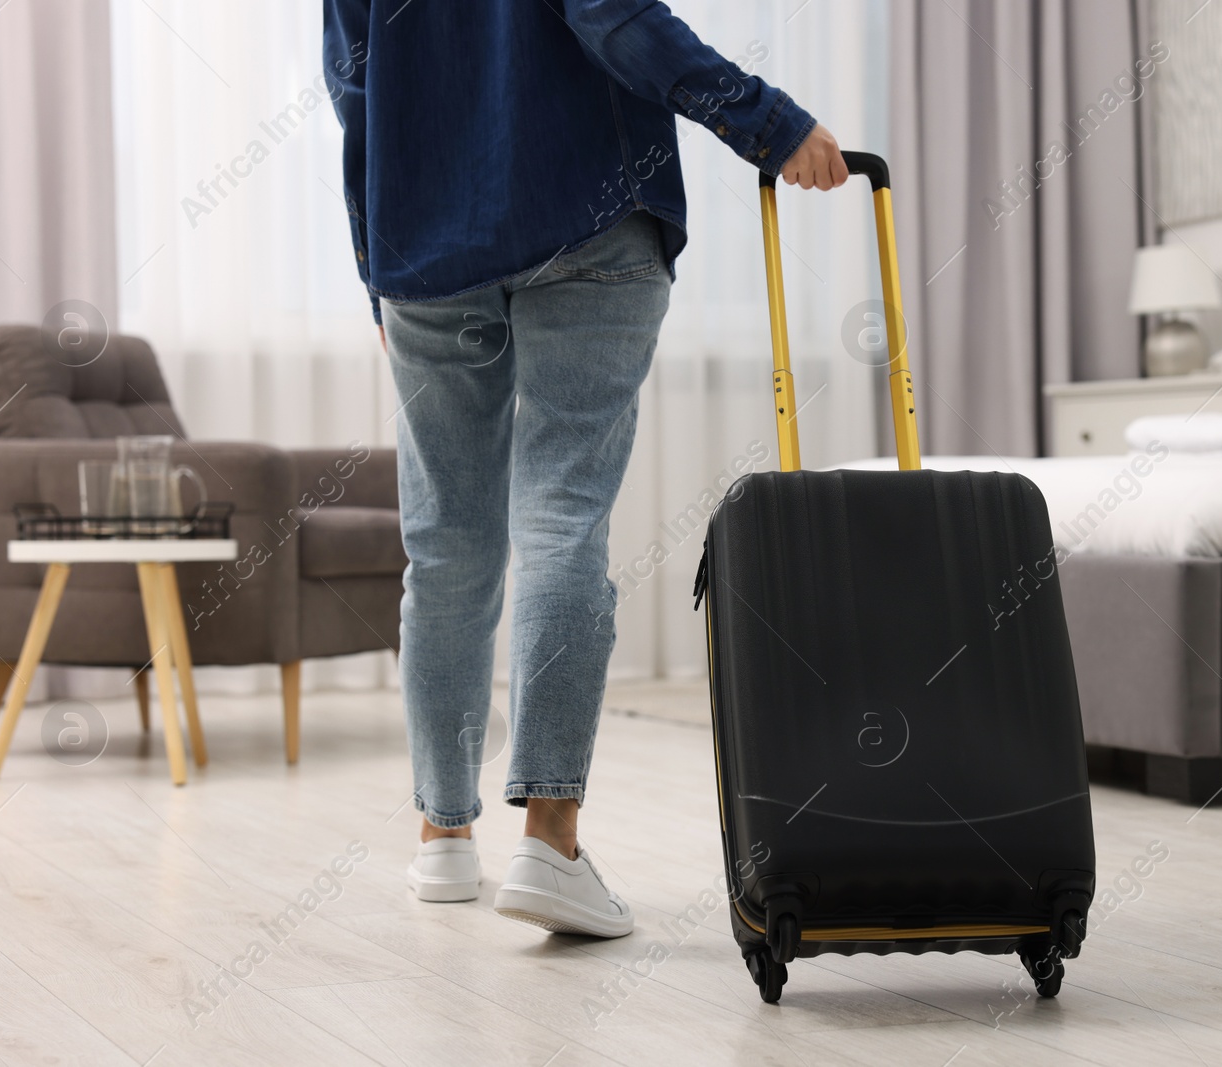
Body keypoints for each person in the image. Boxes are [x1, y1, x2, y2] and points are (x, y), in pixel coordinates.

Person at [323, 1, 847, 938]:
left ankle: (443, 835)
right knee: (562, 512)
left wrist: (374, 259)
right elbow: (613, 16)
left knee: (445, 543)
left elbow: (354, 82)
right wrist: (770, 123)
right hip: (590, 209)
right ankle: (549, 843)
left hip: (422, 244)